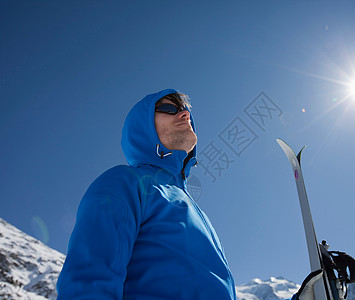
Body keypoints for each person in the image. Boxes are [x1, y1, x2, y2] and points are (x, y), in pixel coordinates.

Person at [56, 88, 321, 300]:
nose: (184, 114)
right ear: (142, 128)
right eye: (169, 108)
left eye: (185, 110)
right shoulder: (123, 183)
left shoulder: (192, 208)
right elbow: (88, 282)